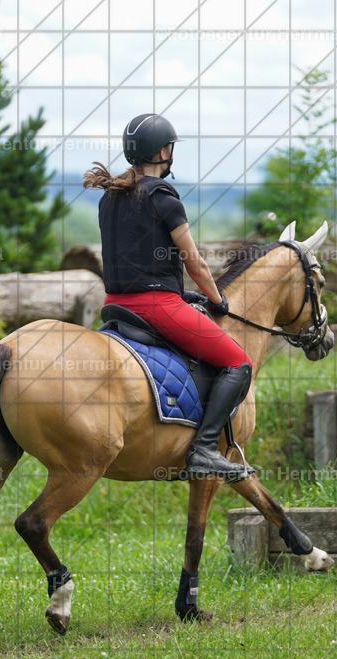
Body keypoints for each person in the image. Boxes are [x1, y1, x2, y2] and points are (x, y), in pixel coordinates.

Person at [82, 113, 253, 482]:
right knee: (238, 362)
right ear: (163, 152)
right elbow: (197, 265)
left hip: (115, 306)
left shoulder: (110, 198)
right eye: (171, 147)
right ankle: (204, 450)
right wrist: (218, 301)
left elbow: (137, 260)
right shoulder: (162, 196)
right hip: (156, 308)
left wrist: (178, 290)